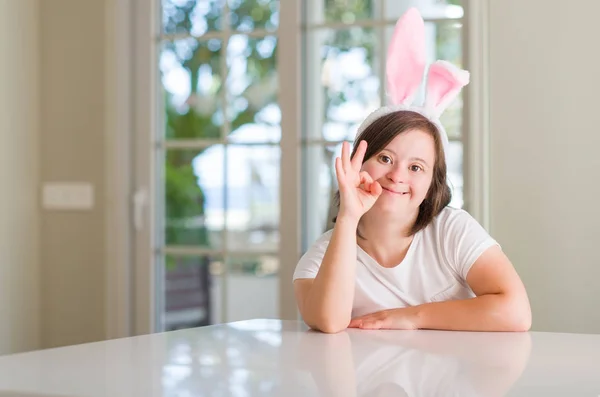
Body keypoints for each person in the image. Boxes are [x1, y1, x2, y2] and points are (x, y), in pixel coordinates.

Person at [292, 8, 531, 334]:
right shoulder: (322, 255)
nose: (398, 175)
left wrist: (410, 316)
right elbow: (328, 322)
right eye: (386, 158)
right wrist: (348, 218)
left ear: (433, 183)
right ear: (358, 163)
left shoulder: (451, 231)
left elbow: (516, 312)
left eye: (416, 167)